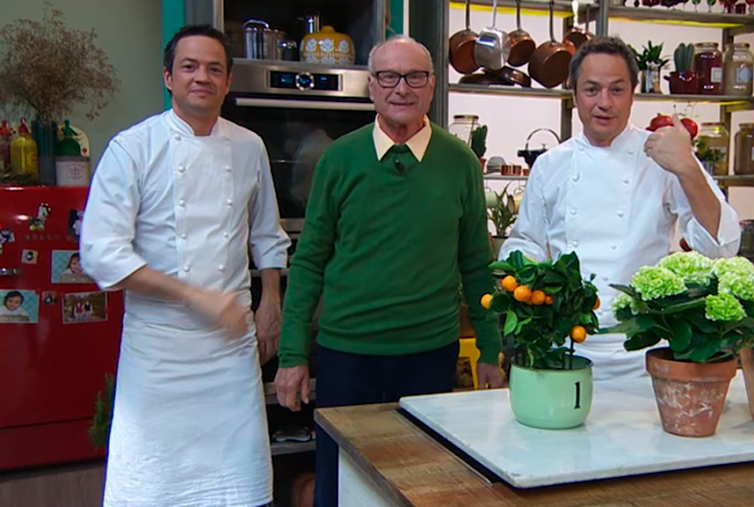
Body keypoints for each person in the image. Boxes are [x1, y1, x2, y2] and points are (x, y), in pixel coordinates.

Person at [274, 35, 504, 507]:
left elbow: (477, 265)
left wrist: (490, 349)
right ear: (372, 87)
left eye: (415, 76)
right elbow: (310, 260)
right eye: (388, 77)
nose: (402, 88)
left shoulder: (460, 163)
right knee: (342, 484)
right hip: (347, 355)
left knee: (422, 485)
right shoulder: (339, 159)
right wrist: (293, 354)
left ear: (433, 85)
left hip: (429, 356)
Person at [80, 24, 290, 507]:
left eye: (214, 69)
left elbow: (265, 234)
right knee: (151, 487)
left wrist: (270, 302)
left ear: (228, 82)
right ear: (168, 77)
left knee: (239, 486)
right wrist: (195, 296)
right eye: (190, 67)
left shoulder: (248, 146)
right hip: (158, 352)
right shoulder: (133, 148)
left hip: (229, 351)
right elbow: (102, 252)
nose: (202, 77)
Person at [499, 36, 741, 380]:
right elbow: (529, 241)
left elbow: (722, 246)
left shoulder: (662, 154)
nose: (604, 103)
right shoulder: (551, 164)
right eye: (591, 90)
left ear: (633, 93)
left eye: (616, 90)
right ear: (574, 94)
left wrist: (687, 167)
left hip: (645, 349)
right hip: (566, 347)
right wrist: (525, 273)